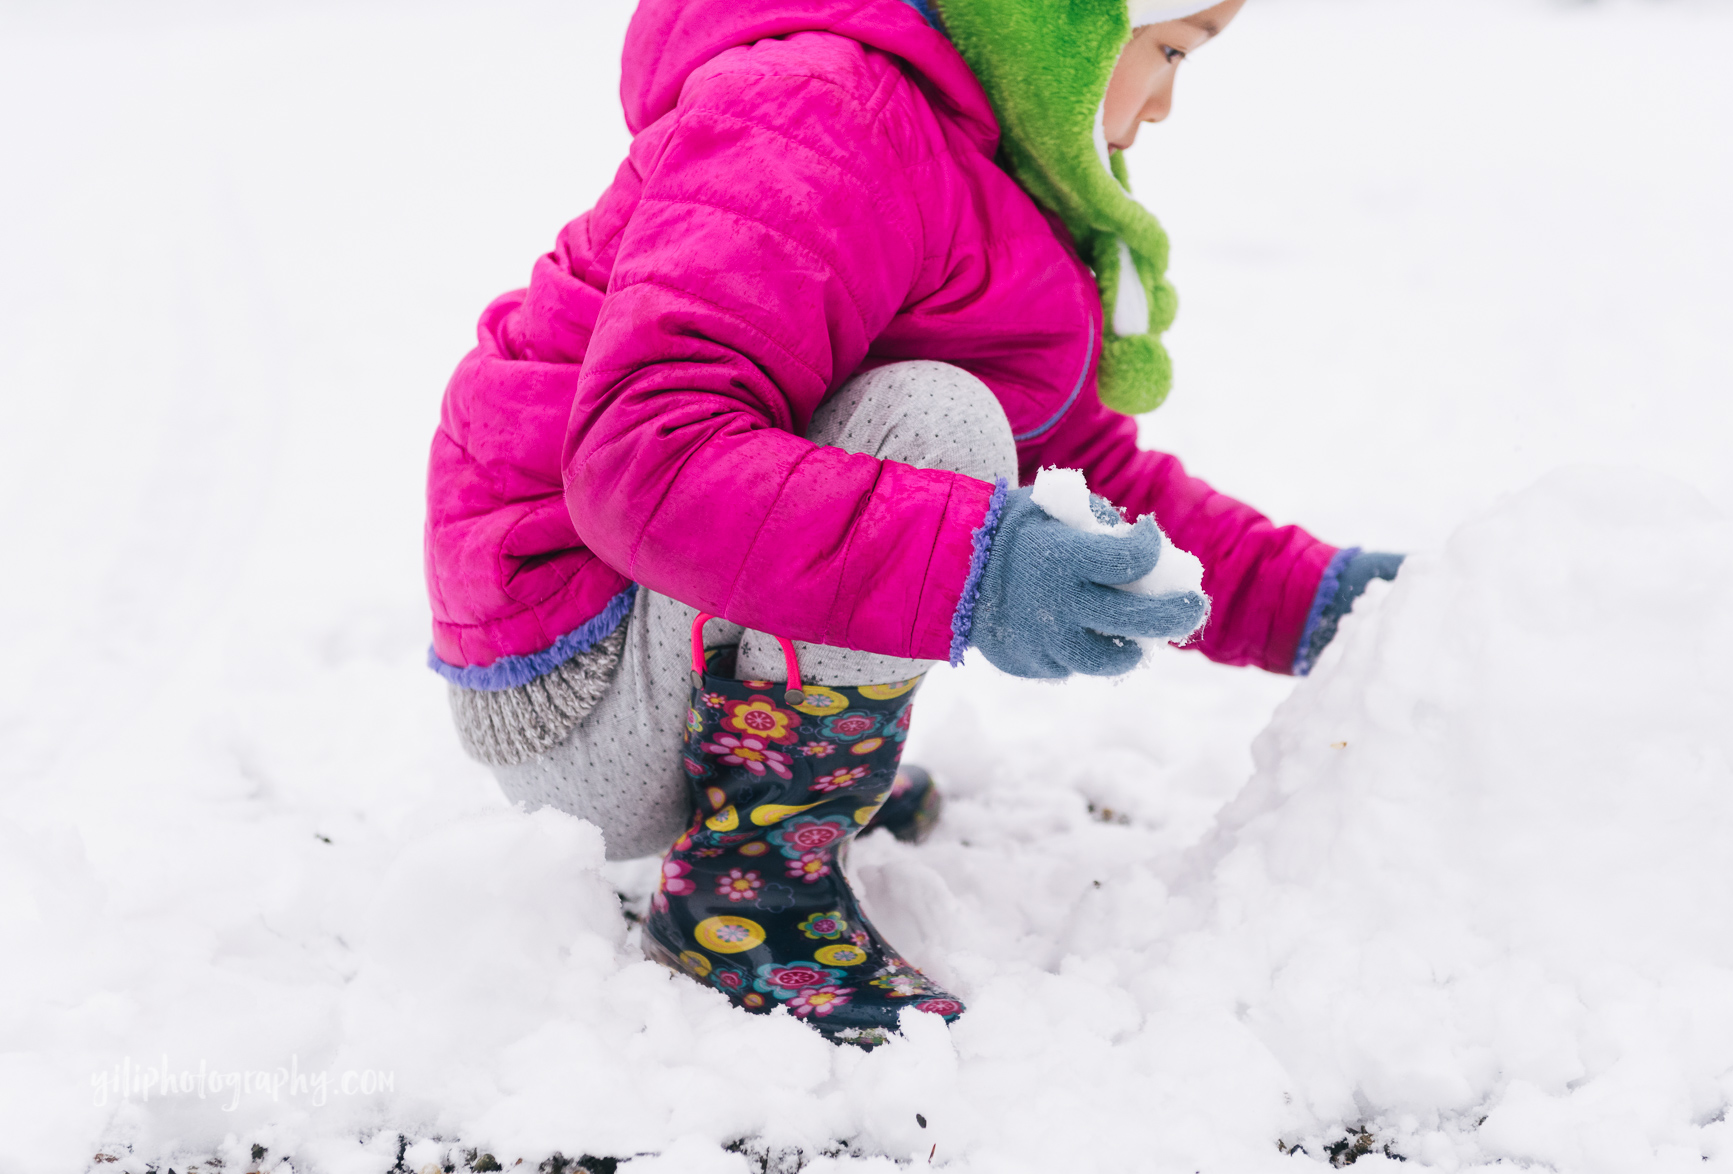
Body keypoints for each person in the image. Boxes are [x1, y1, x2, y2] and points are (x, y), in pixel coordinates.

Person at [423, 0, 1401, 1043]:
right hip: (575, 689)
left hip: (652, 652)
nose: (1161, 104)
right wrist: (977, 566)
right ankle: (746, 890)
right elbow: (644, 453)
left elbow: (1094, 475)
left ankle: (780, 777)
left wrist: (1335, 605)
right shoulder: (814, 113)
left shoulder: (974, 166)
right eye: (1166, 50)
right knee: (935, 420)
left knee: (945, 438)